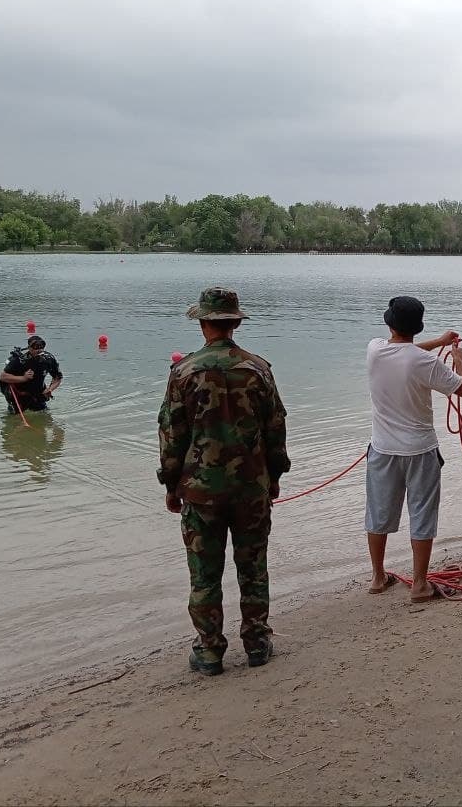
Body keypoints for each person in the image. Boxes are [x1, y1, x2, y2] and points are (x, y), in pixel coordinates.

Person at [157, 287, 290, 676]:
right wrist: (274, 476)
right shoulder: (258, 369)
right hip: (251, 488)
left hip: (201, 491)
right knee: (253, 567)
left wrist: (170, 485)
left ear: (203, 324)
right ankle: (257, 643)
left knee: (204, 573)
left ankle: (210, 650)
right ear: (235, 323)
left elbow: (172, 435)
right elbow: (276, 427)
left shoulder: (183, 373)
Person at [365, 296, 462, 603]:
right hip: (420, 450)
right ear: (417, 326)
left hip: (383, 450)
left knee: (378, 512)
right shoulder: (426, 363)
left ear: (390, 324)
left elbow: (403, 351)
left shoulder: (374, 350)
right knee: (422, 514)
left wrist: (437, 342)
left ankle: (377, 577)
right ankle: (420, 585)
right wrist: (458, 359)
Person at [0, 335, 62, 412]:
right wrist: (24, 378)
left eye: (41, 347)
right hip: (19, 394)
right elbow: (3, 377)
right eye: (35, 347)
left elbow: (57, 378)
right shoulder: (20, 360)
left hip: (38, 394)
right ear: (29, 348)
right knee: (16, 417)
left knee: (44, 415)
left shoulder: (49, 359)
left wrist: (50, 389)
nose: (39, 350)